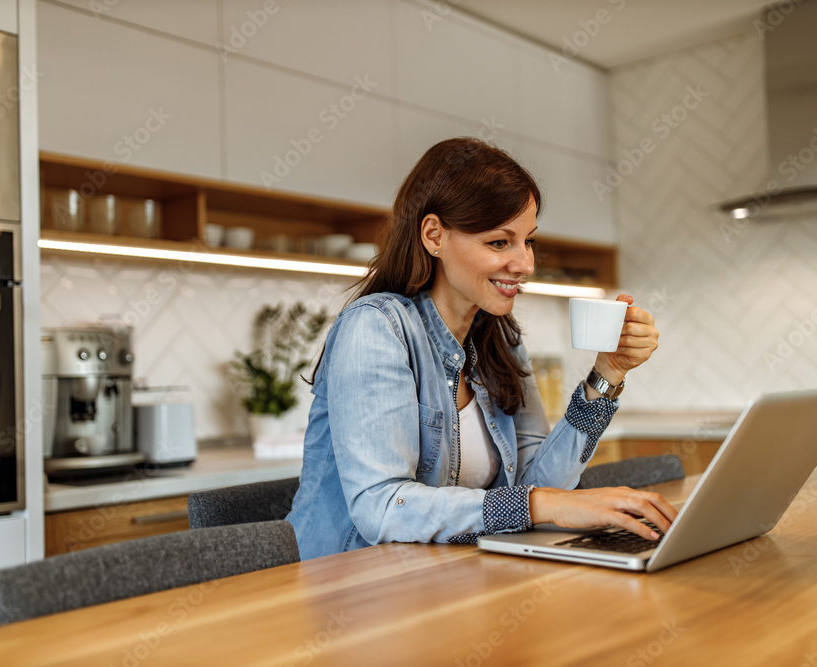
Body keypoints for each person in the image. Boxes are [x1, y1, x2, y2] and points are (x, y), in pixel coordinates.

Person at [286, 137, 675, 560]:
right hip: (345, 588)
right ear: (434, 235)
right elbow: (382, 508)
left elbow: (539, 484)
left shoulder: (499, 340)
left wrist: (609, 372)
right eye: (499, 243)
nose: (525, 263)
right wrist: (543, 504)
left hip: (438, 580)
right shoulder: (377, 327)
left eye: (528, 241)